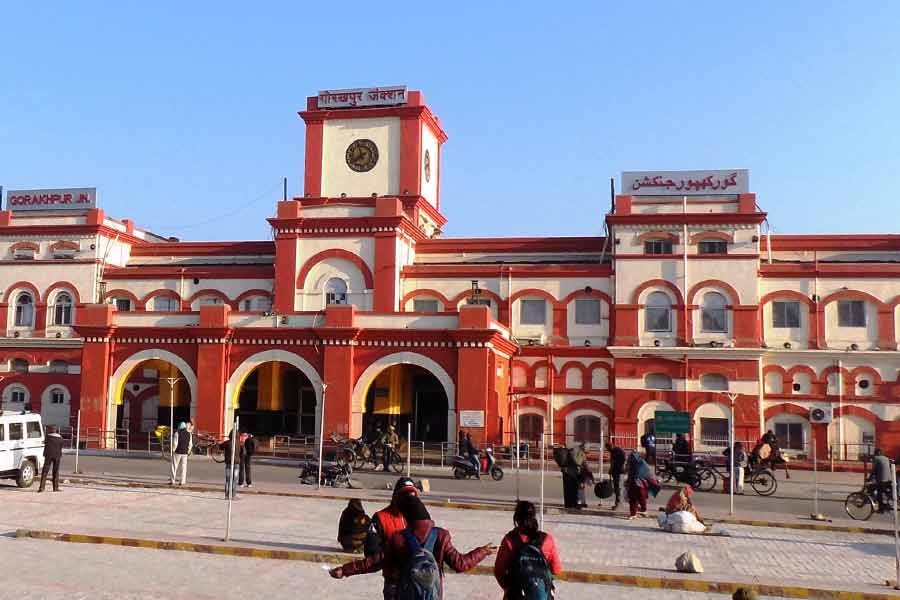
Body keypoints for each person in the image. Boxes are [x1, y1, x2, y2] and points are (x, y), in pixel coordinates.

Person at [330, 494, 496, 599]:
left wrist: (344, 570)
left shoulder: (399, 538)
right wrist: (482, 551)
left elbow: (374, 562)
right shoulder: (441, 535)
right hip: (432, 595)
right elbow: (461, 564)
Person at [363, 477, 421, 599]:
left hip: (416, 583)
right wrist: (393, 557)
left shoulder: (418, 517)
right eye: (405, 495)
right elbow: (371, 550)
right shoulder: (381, 517)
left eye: (412, 496)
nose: (409, 499)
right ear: (395, 496)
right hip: (394, 585)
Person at [494, 500, 562, 599]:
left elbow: (499, 571)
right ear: (533, 517)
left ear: (516, 519)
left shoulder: (509, 540)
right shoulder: (547, 539)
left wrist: (509, 588)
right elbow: (557, 570)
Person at [625, 451, 655, 519]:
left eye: (631, 457)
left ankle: (635, 513)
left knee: (634, 498)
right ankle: (641, 511)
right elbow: (648, 472)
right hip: (641, 483)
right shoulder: (642, 462)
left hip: (638, 483)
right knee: (640, 497)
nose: (630, 458)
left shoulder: (635, 464)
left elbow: (631, 474)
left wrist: (628, 482)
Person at [38, 425, 64, 493]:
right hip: (57, 456)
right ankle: (55, 487)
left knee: (45, 471)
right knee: (56, 472)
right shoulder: (60, 438)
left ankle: (41, 488)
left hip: (48, 456)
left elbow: (44, 443)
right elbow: (61, 446)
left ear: (50, 430)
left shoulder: (47, 437)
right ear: (56, 430)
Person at [219, 431, 244, 499]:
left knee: (228, 480)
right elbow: (243, 453)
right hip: (236, 463)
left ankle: (226, 495)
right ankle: (233, 495)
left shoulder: (227, 442)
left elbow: (220, 447)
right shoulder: (240, 444)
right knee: (234, 480)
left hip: (228, 463)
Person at [871, 448, 894, 513]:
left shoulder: (876, 458)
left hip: (882, 480)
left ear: (876, 453)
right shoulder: (886, 458)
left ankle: (881, 509)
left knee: (879, 493)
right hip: (889, 479)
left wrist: (869, 478)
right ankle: (888, 505)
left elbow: (874, 470)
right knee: (886, 492)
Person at [170, 421, 193, 486]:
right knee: (184, 467)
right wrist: (188, 451)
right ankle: (182, 481)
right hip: (185, 453)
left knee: (174, 466)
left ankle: (172, 480)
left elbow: (175, 443)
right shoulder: (189, 434)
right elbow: (190, 444)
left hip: (177, 452)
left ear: (179, 426)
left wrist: (173, 450)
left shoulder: (177, 433)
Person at [606, 441, 626, 510]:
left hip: (618, 472)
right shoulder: (618, 450)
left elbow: (613, 462)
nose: (607, 450)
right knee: (618, 488)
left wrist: (610, 470)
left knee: (618, 488)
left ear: (609, 446)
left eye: (607, 448)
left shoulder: (614, 451)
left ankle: (618, 504)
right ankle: (618, 504)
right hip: (620, 471)